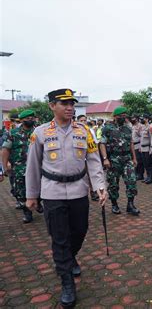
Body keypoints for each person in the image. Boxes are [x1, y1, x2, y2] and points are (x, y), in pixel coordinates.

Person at [25, 88, 106, 307]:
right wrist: (31, 195)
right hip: (52, 192)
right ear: (52, 106)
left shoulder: (84, 130)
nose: (70, 107)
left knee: (80, 231)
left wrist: (99, 185)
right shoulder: (41, 133)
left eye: (72, 103)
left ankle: (69, 258)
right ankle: (67, 282)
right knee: (59, 238)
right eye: (64, 103)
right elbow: (32, 166)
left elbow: (93, 159)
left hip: (79, 189)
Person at [2, 109, 43, 223]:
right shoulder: (13, 133)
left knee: (40, 187)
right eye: (28, 118)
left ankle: (38, 202)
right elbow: (5, 150)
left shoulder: (38, 132)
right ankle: (27, 212)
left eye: (32, 118)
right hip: (19, 168)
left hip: (37, 167)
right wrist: (5, 165)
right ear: (22, 120)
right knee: (20, 191)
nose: (31, 120)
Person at [100, 106, 140, 216]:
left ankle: (130, 205)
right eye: (122, 116)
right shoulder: (107, 128)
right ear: (116, 116)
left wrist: (134, 158)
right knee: (113, 183)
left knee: (131, 181)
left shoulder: (128, 128)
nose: (124, 118)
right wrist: (105, 159)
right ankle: (114, 204)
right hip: (113, 159)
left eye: (125, 116)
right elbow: (102, 143)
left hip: (127, 159)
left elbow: (131, 143)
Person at [77, 114, 100, 202]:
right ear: (77, 121)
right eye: (81, 121)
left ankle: (93, 192)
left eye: (84, 120)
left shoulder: (90, 131)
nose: (83, 122)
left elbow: (95, 143)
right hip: (79, 158)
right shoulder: (74, 131)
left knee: (90, 175)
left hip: (88, 157)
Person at [140, 115, 152, 184]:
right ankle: (148, 176)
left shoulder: (150, 126)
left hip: (148, 147)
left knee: (149, 163)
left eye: (144, 118)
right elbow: (141, 138)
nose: (143, 119)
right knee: (145, 163)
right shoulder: (142, 127)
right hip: (142, 148)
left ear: (147, 119)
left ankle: (151, 177)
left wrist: (151, 148)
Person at [131, 115, 144, 180]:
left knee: (139, 161)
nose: (132, 119)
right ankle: (136, 173)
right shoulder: (132, 126)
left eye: (134, 118)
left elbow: (141, 136)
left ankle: (140, 174)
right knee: (134, 160)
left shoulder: (140, 126)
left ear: (137, 119)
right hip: (133, 145)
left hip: (138, 145)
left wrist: (141, 146)